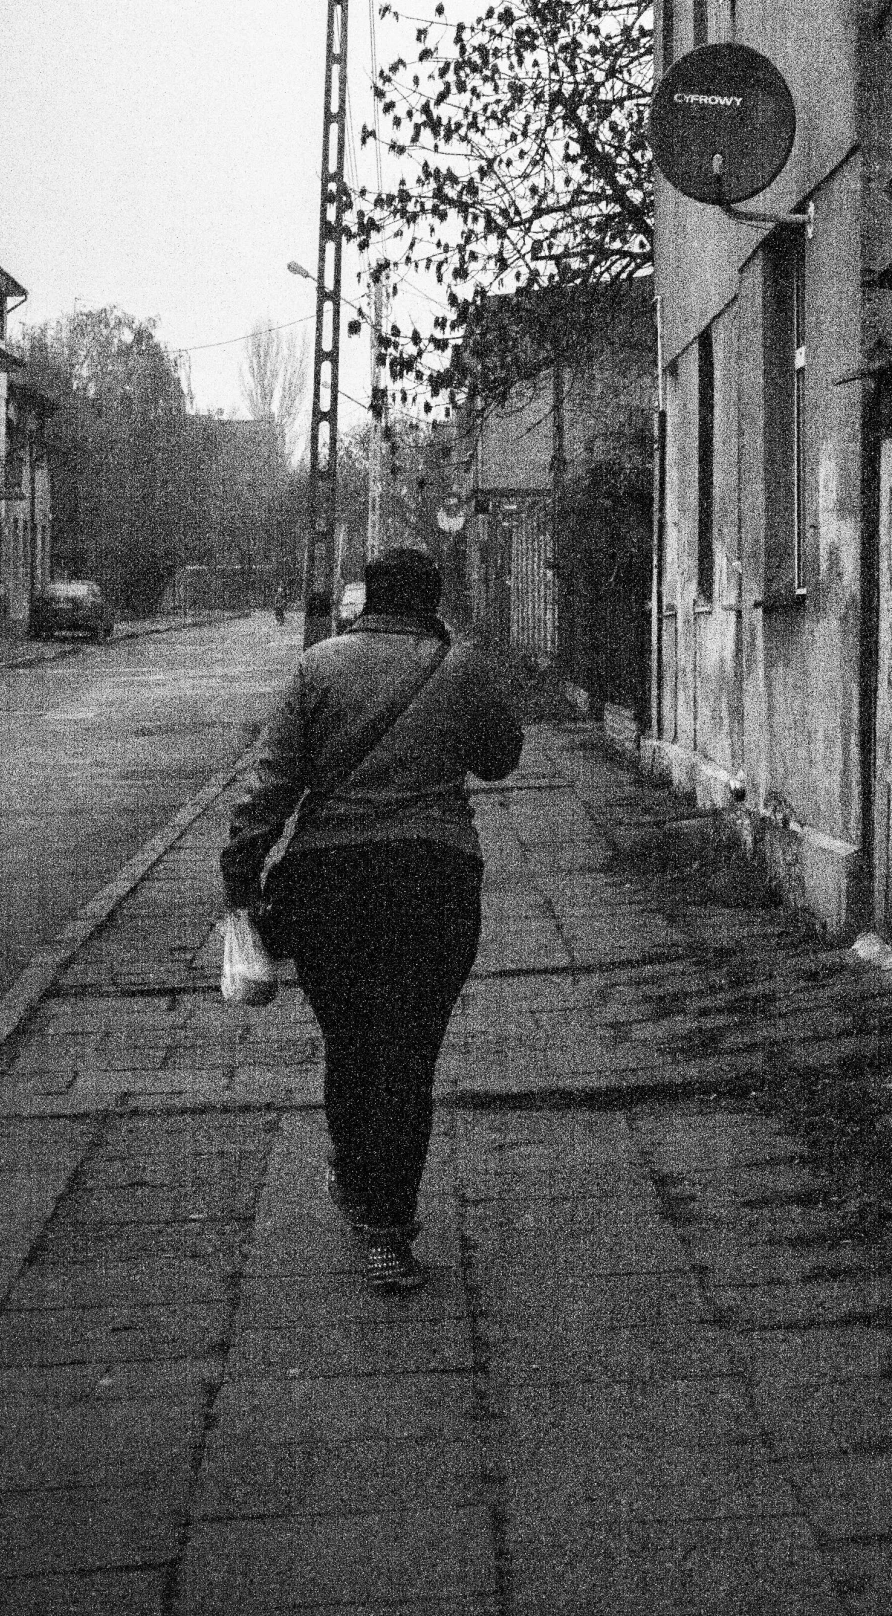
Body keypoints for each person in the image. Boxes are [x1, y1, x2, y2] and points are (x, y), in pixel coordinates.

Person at [220, 544, 521, 1293]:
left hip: (331, 884)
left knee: (351, 1044)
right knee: (409, 1056)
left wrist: (241, 867)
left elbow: (273, 777)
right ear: (434, 598)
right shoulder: (462, 667)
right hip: (434, 878)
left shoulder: (317, 667)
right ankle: (389, 1229)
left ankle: (356, 1183)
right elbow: (500, 761)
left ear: (366, 597)